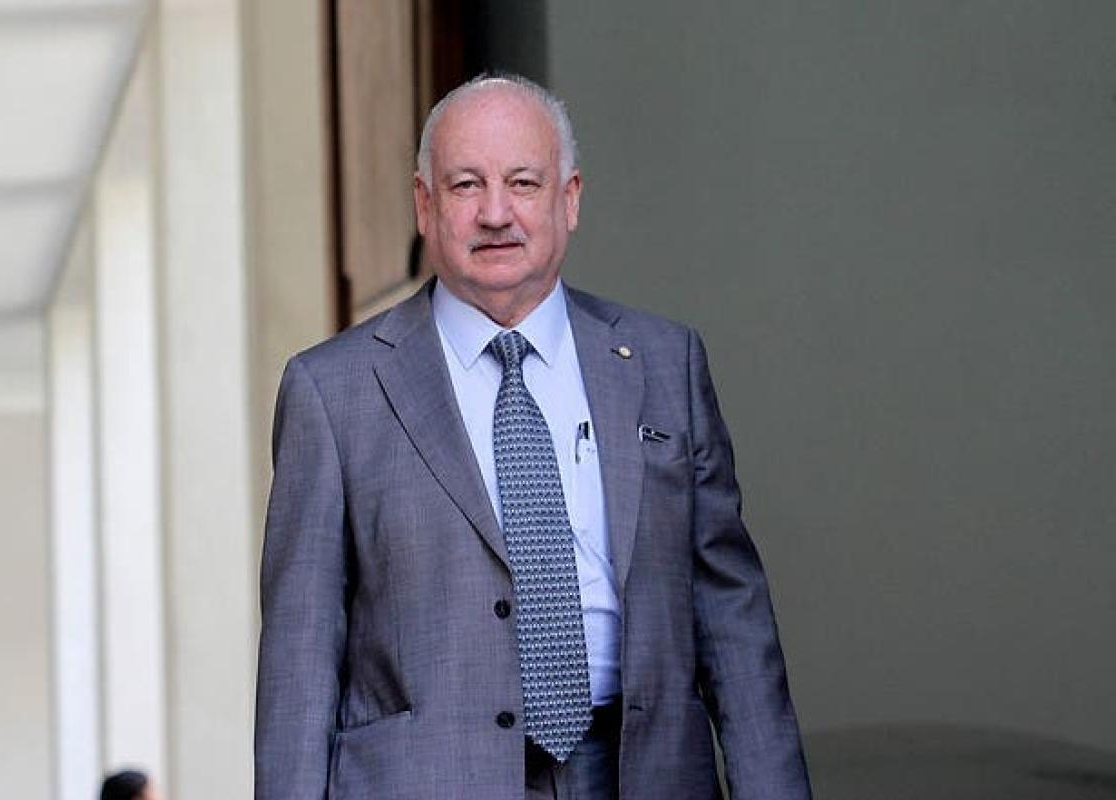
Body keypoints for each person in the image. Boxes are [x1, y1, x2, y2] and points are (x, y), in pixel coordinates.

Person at [255, 73, 812, 800]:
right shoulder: (333, 391)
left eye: (523, 182)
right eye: (465, 185)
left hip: (639, 772)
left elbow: (733, 619)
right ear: (424, 204)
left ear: (569, 199)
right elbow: (300, 657)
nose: (496, 213)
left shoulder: (663, 362)